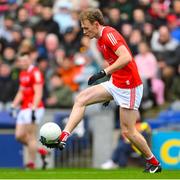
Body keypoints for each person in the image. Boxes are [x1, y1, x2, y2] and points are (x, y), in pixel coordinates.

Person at [40, 8, 162, 173]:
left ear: (96, 24)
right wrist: (108, 91)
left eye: (86, 27)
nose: (84, 31)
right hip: (116, 83)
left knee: (128, 131)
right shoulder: (98, 41)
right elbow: (116, 64)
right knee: (81, 98)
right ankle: (63, 137)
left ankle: (153, 162)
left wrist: (104, 73)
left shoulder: (109, 34)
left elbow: (126, 57)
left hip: (129, 86)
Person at [11, 50, 47, 169]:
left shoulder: (35, 73)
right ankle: (40, 150)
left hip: (33, 107)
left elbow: (38, 92)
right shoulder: (23, 73)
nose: (23, 63)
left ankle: (31, 163)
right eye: (21, 61)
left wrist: (33, 109)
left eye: (25, 60)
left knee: (31, 136)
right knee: (19, 135)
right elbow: (21, 91)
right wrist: (14, 105)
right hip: (24, 107)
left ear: (30, 60)